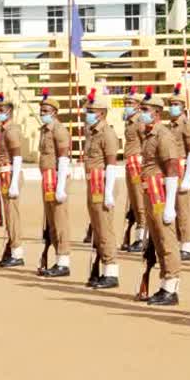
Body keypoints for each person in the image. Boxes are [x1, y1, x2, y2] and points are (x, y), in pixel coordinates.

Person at [138, 89, 181, 305]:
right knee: (156, 239)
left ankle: (171, 287)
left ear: (156, 113)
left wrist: (170, 205)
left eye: (144, 110)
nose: (141, 113)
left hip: (159, 194)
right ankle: (165, 284)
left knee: (166, 240)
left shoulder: (164, 136)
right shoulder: (149, 135)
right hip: (149, 192)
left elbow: (172, 169)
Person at [83, 88, 120, 289]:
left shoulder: (107, 133)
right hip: (92, 184)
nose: (88, 113)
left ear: (102, 113)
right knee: (97, 228)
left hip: (103, 184)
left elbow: (112, 164)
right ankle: (101, 268)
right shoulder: (90, 131)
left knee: (105, 228)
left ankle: (111, 271)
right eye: (87, 110)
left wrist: (108, 193)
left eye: (92, 110)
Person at [37, 89, 72, 277]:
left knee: (60, 221)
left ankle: (63, 260)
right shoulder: (44, 130)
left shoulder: (59, 130)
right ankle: (57, 259)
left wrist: (60, 187)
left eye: (46, 111)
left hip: (56, 179)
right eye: (41, 111)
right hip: (47, 179)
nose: (43, 114)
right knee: (51, 222)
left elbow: (64, 158)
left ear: (54, 113)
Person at [167, 83, 190, 261]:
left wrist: (187, 178)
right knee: (172, 207)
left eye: (176, 104)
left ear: (183, 107)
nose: (172, 107)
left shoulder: (188, 125)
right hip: (171, 169)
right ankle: (178, 242)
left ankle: (187, 245)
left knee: (182, 208)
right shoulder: (170, 125)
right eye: (171, 104)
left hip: (182, 168)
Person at [0, 92, 25, 267]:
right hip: (4, 173)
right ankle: (13, 248)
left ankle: (17, 251)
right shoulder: (4, 128)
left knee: (12, 215)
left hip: (10, 173)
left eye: (2, 110)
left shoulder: (12, 131)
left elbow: (17, 157)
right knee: (8, 214)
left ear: (10, 112)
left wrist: (14, 182)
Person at [122, 86, 146, 252]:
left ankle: (142, 237)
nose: (127, 105)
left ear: (138, 105)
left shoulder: (139, 122)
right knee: (133, 200)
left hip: (138, 163)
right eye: (126, 102)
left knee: (139, 200)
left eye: (130, 102)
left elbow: (146, 143)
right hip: (130, 163)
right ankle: (138, 235)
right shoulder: (129, 121)